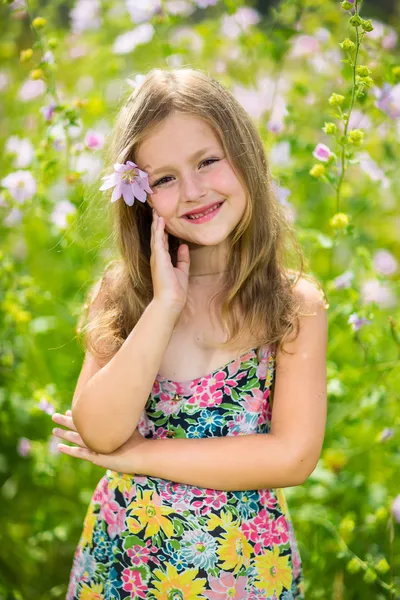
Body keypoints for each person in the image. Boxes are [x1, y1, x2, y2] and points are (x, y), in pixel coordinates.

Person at [52, 67, 328, 600]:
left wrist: (140, 457)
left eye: (207, 161)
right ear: (138, 193)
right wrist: (164, 306)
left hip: (241, 568)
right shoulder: (125, 295)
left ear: (246, 156)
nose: (194, 190)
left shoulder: (293, 305)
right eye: (164, 178)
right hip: (127, 563)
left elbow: (291, 457)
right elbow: (100, 431)